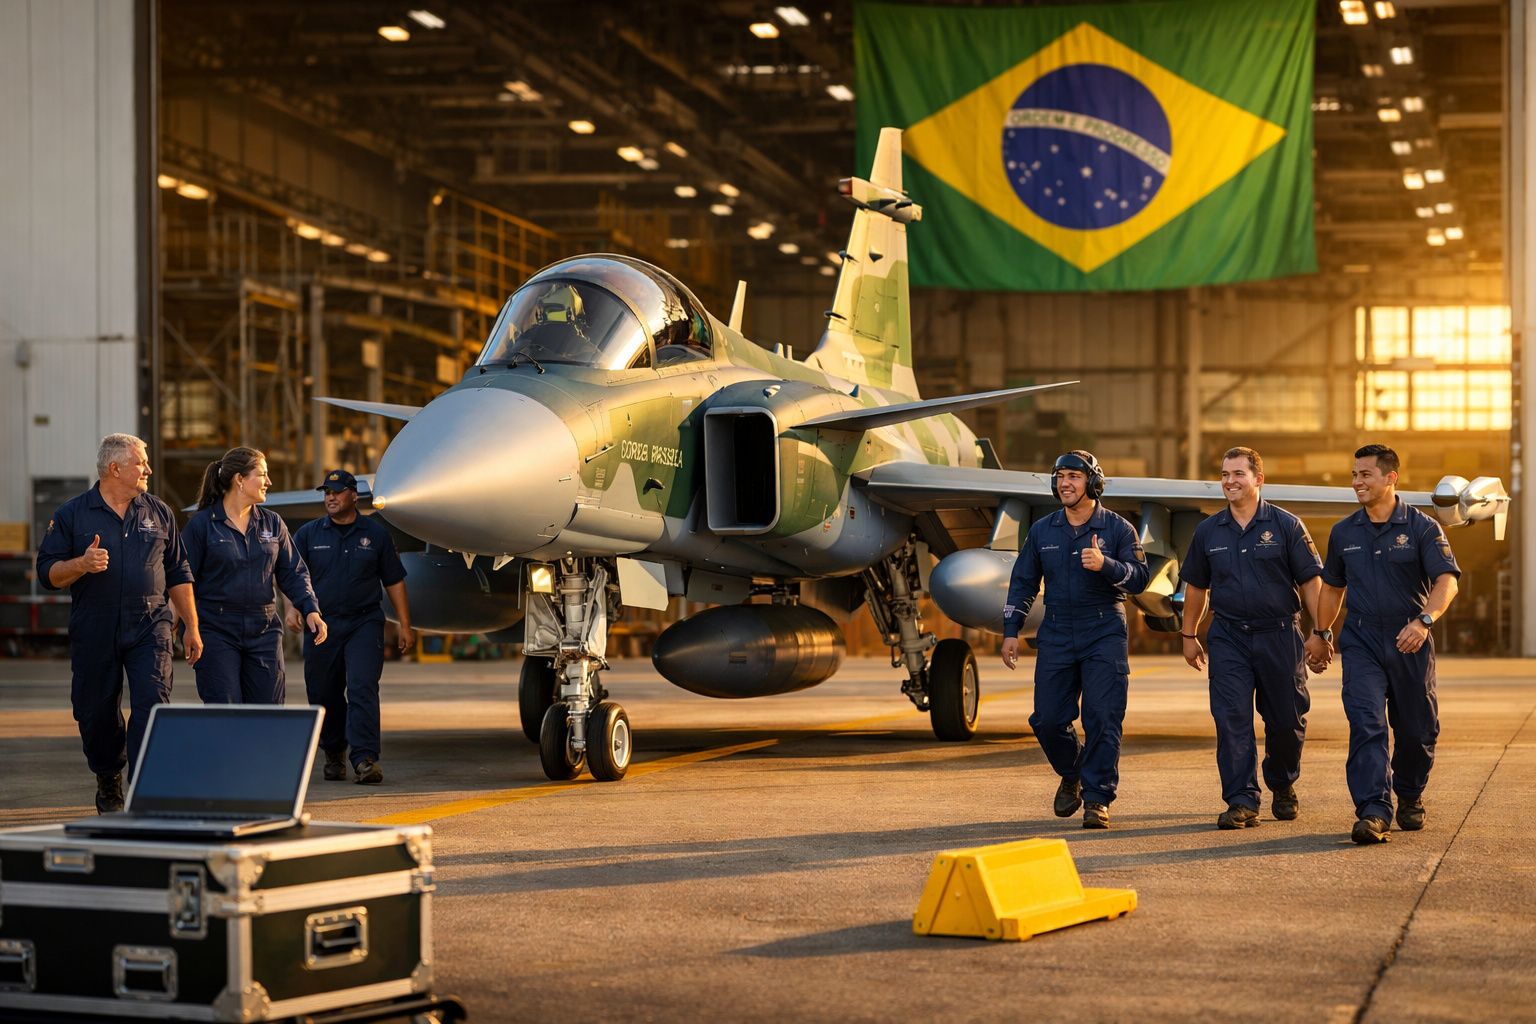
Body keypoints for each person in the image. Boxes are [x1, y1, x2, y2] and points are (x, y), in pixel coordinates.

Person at [35, 434, 202, 812]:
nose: (148, 469)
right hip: (95, 623)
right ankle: (108, 778)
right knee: (95, 710)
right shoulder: (72, 514)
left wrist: (191, 624)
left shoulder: (158, 512)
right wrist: (81, 564)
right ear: (115, 468)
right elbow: (46, 573)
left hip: (151, 623)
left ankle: (144, 783)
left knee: (153, 702)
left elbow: (178, 571)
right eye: (141, 463)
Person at [1310, 444, 1459, 845]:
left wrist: (1425, 620)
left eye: (1365, 475)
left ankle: (1410, 794)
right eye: (1355, 475)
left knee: (1416, 729)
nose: (1357, 482)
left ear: (1390, 478)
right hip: (1361, 639)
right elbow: (1333, 587)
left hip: (1410, 638)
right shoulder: (1344, 532)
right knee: (1366, 723)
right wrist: (1321, 633)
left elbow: (1447, 580)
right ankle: (1373, 810)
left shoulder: (1423, 527)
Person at [1000, 450, 1151, 829]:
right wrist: (1011, 632)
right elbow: (1022, 583)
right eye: (1060, 476)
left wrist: (1107, 565)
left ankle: (1097, 799)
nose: (1065, 483)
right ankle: (1074, 771)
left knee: (1102, 718)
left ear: (1093, 483)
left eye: (1074, 476)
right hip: (1056, 631)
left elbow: (1140, 579)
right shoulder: (1043, 530)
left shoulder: (1118, 529)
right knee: (1047, 719)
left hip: (1104, 630)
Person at [1178, 447, 1325, 830]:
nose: (1229, 481)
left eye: (1238, 474)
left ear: (1258, 479)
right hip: (1229, 636)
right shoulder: (1208, 531)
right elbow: (1196, 586)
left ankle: (1282, 783)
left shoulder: (1287, 525)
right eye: (1225, 474)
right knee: (1231, 720)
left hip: (1280, 634)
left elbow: (1311, 582)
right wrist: (1189, 633)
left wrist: (1321, 632)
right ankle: (1241, 800)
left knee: (1286, 722)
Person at [289, 469, 413, 785]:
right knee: (323, 691)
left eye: (337, 492)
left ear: (353, 496)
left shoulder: (376, 535)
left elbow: (394, 580)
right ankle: (333, 752)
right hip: (321, 624)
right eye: (326, 492)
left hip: (364, 622)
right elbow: (294, 577)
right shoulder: (308, 534)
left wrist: (405, 625)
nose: (330, 497)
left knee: (362, 687)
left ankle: (365, 758)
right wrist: (292, 608)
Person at [182, 446, 327, 704]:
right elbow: (182, 579)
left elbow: (293, 571)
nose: (269, 482)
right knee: (225, 709)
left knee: (267, 711)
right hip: (216, 630)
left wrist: (310, 608)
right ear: (239, 479)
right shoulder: (201, 525)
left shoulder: (273, 523)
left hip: (264, 630)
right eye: (262, 474)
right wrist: (186, 626)